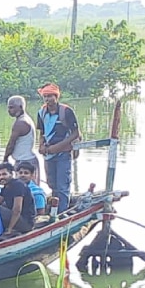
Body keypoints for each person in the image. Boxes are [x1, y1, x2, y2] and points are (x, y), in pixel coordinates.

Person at [36, 83, 82, 211]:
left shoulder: (66, 111)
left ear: (56, 96)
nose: (47, 99)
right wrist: (41, 145)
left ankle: (61, 212)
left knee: (62, 185)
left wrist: (58, 147)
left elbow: (76, 133)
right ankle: (54, 209)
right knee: (52, 184)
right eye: (45, 96)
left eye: (50, 96)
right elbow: (42, 132)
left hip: (63, 153)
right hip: (48, 153)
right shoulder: (42, 112)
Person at [2, 95, 39, 182]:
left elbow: (11, 143)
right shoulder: (26, 119)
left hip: (25, 161)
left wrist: (5, 158)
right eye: (8, 108)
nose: (9, 110)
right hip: (27, 159)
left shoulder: (20, 123)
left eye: (11, 108)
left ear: (20, 107)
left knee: (24, 190)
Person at [0, 163, 36, 235]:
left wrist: (9, 229)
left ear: (11, 174)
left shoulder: (17, 185)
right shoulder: (6, 186)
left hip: (26, 223)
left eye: (4, 174)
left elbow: (17, 209)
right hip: (19, 219)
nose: (1, 177)